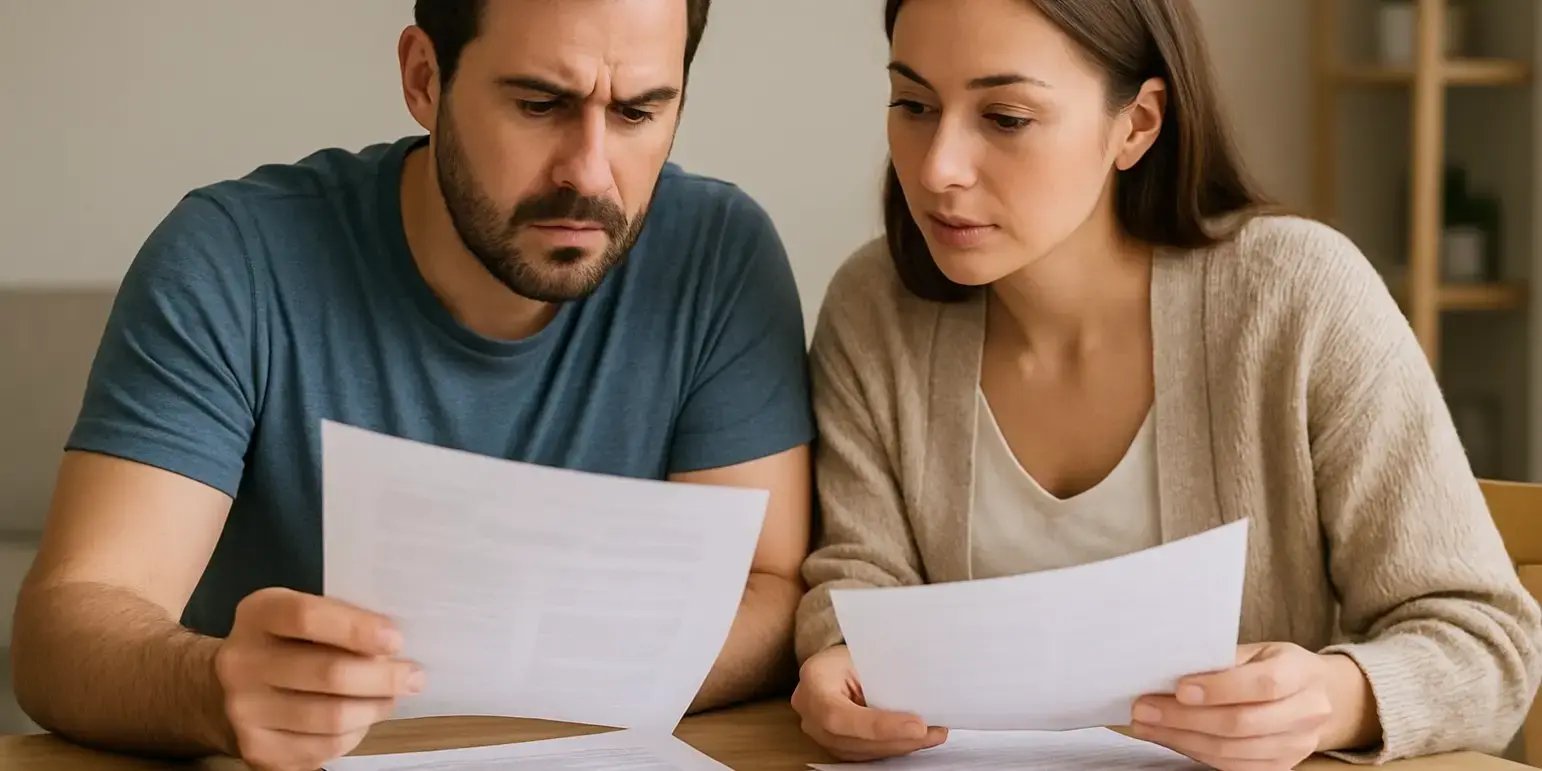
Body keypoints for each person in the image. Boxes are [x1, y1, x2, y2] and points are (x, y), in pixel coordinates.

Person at [11, 1, 814, 769]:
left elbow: (773, 591)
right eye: (539, 104)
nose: (589, 173)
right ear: (425, 78)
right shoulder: (231, 258)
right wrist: (212, 689)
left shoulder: (719, 255)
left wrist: (511, 685)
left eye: (639, 112)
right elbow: (68, 624)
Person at [791, 0, 1542, 768]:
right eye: (914, 105)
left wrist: (1329, 697)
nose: (937, 166)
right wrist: (841, 656)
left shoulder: (1296, 297)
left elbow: (1487, 643)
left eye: (1007, 116)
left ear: (1139, 124)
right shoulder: (874, 309)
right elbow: (857, 581)